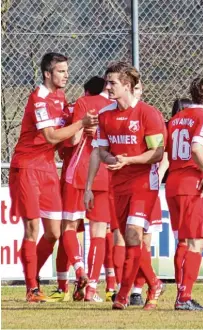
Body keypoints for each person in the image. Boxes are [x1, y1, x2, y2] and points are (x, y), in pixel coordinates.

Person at [9, 52, 98, 303]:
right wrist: (80, 124)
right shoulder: (39, 98)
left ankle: (32, 276)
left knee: (54, 233)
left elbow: (65, 139)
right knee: (32, 228)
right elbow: (49, 136)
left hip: (48, 167)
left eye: (67, 71)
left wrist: (81, 131)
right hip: (27, 166)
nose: (66, 75)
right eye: (60, 71)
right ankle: (32, 289)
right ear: (47, 73)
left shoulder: (60, 97)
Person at [96, 62, 166, 310]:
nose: (108, 86)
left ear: (127, 85)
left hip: (144, 182)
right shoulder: (105, 116)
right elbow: (102, 151)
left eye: (112, 82)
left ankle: (123, 294)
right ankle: (155, 283)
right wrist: (111, 160)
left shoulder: (148, 113)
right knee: (130, 239)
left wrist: (130, 160)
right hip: (118, 184)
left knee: (133, 234)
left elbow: (157, 153)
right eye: (107, 82)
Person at [56, 76, 116, 302]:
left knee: (69, 226)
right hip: (106, 174)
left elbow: (72, 141)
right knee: (100, 232)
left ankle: (78, 271)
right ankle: (94, 286)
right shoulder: (120, 108)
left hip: (79, 172)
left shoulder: (83, 103)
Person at [166, 75, 203, 311]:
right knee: (196, 242)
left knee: (183, 241)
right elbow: (197, 146)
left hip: (173, 182)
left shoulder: (176, 119)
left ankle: (181, 294)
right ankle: (184, 298)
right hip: (192, 184)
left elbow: (166, 152)